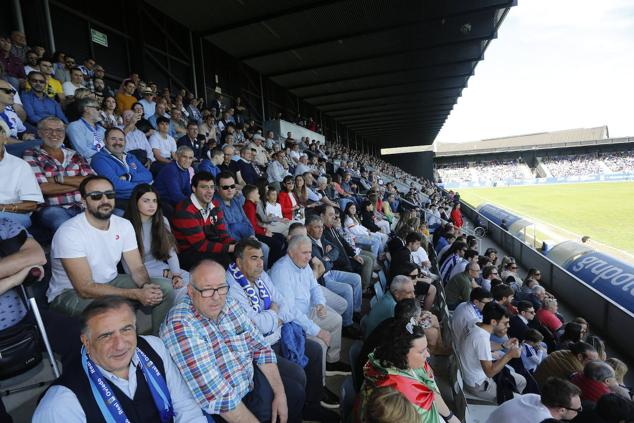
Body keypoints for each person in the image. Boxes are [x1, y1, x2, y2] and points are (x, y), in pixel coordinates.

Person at [160, 259, 300, 422]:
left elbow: (260, 347)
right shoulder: (181, 325)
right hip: (221, 410)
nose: (216, 298)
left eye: (221, 288)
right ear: (190, 291)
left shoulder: (229, 302)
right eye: (207, 290)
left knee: (293, 392)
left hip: (247, 380)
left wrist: (279, 393)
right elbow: (218, 397)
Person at [33, 296, 208, 423]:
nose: (119, 345)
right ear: (86, 341)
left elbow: (185, 407)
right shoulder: (60, 405)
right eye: (106, 335)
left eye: (126, 330)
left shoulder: (155, 348)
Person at [226, 239, 340, 419]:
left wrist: (273, 315)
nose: (260, 263)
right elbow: (257, 325)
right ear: (239, 262)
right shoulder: (233, 289)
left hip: (278, 335)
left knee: (316, 350)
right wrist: (274, 313)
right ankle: (299, 410)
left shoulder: (261, 275)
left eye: (261, 258)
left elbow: (283, 303)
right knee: (298, 375)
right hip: (260, 347)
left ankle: (313, 404)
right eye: (254, 258)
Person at [47, 175, 175, 335]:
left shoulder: (123, 224)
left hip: (111, 281)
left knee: (165, 289)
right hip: (68, 293)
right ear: (83, 201)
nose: (105, 200)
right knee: (114, 311)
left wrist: (146, 286)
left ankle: (158, 340)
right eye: (96, 196)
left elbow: (136, 267)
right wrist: (134, 293)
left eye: (109, 195)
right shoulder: (69, 232)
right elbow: (85, 288)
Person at [270, 235, 351, 377]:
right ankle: (321, 384)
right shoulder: (281, 271)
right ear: (291, 253)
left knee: (337, 320)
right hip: (294, 323)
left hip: (308, 312)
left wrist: (320, 303)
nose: (309, 257)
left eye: (309, 252)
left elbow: (314, 287)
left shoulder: (303, 264)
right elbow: (289, 311)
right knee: (320, 344)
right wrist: (317, 331)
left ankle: (332, 361)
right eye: (304, 253)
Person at [359, 320, 461, 423]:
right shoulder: (398, 389)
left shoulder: (393, 361)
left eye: (426, 349)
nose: (428, 355)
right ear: (401, 354)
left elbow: (429, 394)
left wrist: (450, 417)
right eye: (421, 351)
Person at [23, 116, 94, 232]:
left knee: (115, 217)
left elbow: (92, 181)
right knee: (66, 228)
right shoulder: (32, 154)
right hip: (53, 208)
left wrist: (56, 179)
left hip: (83, 205)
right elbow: (43, 188)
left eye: (59, 130)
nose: (54, 134)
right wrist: (81, 184)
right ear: (39, 133)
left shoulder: (75, 155)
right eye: (48, 130)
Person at [124, 184, 189, 302]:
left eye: (154, 201)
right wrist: (165, 273)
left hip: (161, 267)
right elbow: (129, 269)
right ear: (135, 202)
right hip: (139, 275)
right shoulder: (126, 226)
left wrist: (176, 275)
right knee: (174, 290)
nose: (151, 205)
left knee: (192, 281)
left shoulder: (162, 220)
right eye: (146, 201)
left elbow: (171, 252)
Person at [306, 214, 363, 339]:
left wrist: (327, 257)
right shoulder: (308, 243)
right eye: (316, 227)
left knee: (356, 278)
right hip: (323, 279)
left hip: (331, 272)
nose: (321, 230)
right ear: (308, 229)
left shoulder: (321, 238)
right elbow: (321, 266)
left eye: (321, 227)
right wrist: (328, 260)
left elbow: (336, 250)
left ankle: (356, 312)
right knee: (347, 289)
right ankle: (348, 325)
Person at [458, 301, 527, 402]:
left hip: (470, 373)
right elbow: (490, 372)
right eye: (505, 323)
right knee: (518, 400)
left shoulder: (475, 323)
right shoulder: (481, 337)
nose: (508, 326)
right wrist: (509, 355)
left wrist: (503, 345)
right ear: (494, 322)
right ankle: (507, 407)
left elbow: (481, 346)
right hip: (478, 384)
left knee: (522, 380)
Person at [171, 171, 237, 269]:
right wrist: (231, 248)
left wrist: (238, 245)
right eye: (204, 187)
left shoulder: (215, 205)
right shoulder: (185, 211)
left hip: (208, 246)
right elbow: (200, 245)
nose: (209, 191)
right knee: (225, 261)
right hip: (189, 253)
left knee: (241, 255)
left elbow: (223, 235)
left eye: (211, 187)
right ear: (194, 188)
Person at [215, 171, 272, 266]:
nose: (230, 190)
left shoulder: (236, 201)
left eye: (232, 186)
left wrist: (250, 235)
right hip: (232, 244)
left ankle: (260, 276)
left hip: (246, 238)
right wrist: (244, 240)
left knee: (265, 248)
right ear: (217, 188)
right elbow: (227, 232)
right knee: (261, 249)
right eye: (225, 187)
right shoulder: (216, 204)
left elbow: (247, 222)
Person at [90, 127, 153, 211]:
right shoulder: (99, 159)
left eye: (121, 140)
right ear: (105, 141)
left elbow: (148, 175)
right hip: (119, 200)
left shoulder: (130, 156)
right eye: (113, 139)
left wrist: (129, 177)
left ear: (125, 142)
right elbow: (115, 185)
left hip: (139, 196)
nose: (117, 143)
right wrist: (143, 186)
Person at [0, 119, 43, 227]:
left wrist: (2, 207)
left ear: (5, 138)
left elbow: (31, 204)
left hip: (12, 214)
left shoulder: (20, 166)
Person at [321, 205, 375, 289]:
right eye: (330, 215)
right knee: (359, 270)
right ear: (322, 216)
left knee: (361, 263)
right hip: (339, 266)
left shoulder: (332, 228)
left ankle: (363, 288)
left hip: (346, 259)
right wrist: (347, 264)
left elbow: (343, 242)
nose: (334, 217)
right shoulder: (323, 232)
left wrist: (354, 255)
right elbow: (334, 255)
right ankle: (363, 289)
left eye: (334, 215)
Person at [485, 377, 582, 423]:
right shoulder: (542, 420)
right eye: (578, 409)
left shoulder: (532, 397)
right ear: (562, 410)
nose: (579, 411)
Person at [242, 184, 287, 266]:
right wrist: (264, 232)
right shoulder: (249, 206)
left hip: (258, 231)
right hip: (254, 234)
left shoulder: (252, 205)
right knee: (276, 243)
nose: (259, 195)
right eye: (257, 193)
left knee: (281, 237)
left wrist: (265, 230)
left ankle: (278, 261)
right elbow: (252, 226)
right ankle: (271, 265)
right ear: (252, 195)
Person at [533, 341, 599, 389]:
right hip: (540, 393)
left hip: (534, 383)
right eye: (591, 360)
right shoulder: (577, 371)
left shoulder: (559, 353)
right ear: (580, 356)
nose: (594, 364)